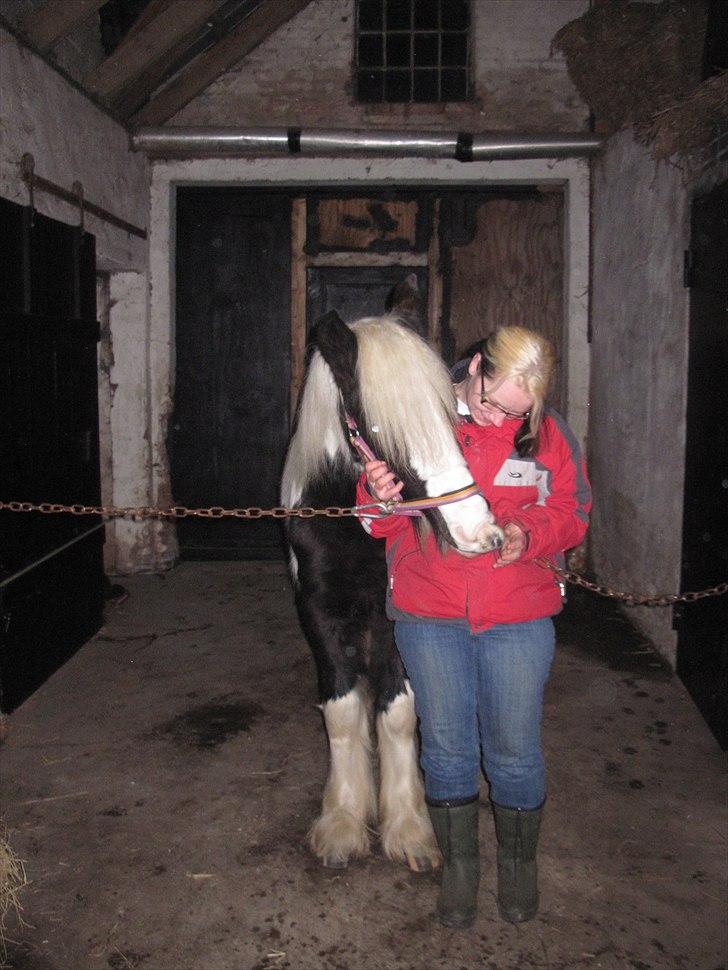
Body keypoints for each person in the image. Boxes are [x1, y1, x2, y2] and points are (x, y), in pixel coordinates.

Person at [355, 326, 591, 929]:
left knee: (513, 751)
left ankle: (518, 866)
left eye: (517, 412)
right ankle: (460, 867)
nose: (499, 418)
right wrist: (379, 496)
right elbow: (376, 526)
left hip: (518, 613)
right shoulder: (419, 413)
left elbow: (574, 511)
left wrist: (529, 534)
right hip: (430, 611)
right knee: (449, 748)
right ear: (477, 367)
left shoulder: (548, 432)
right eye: (492, 402)